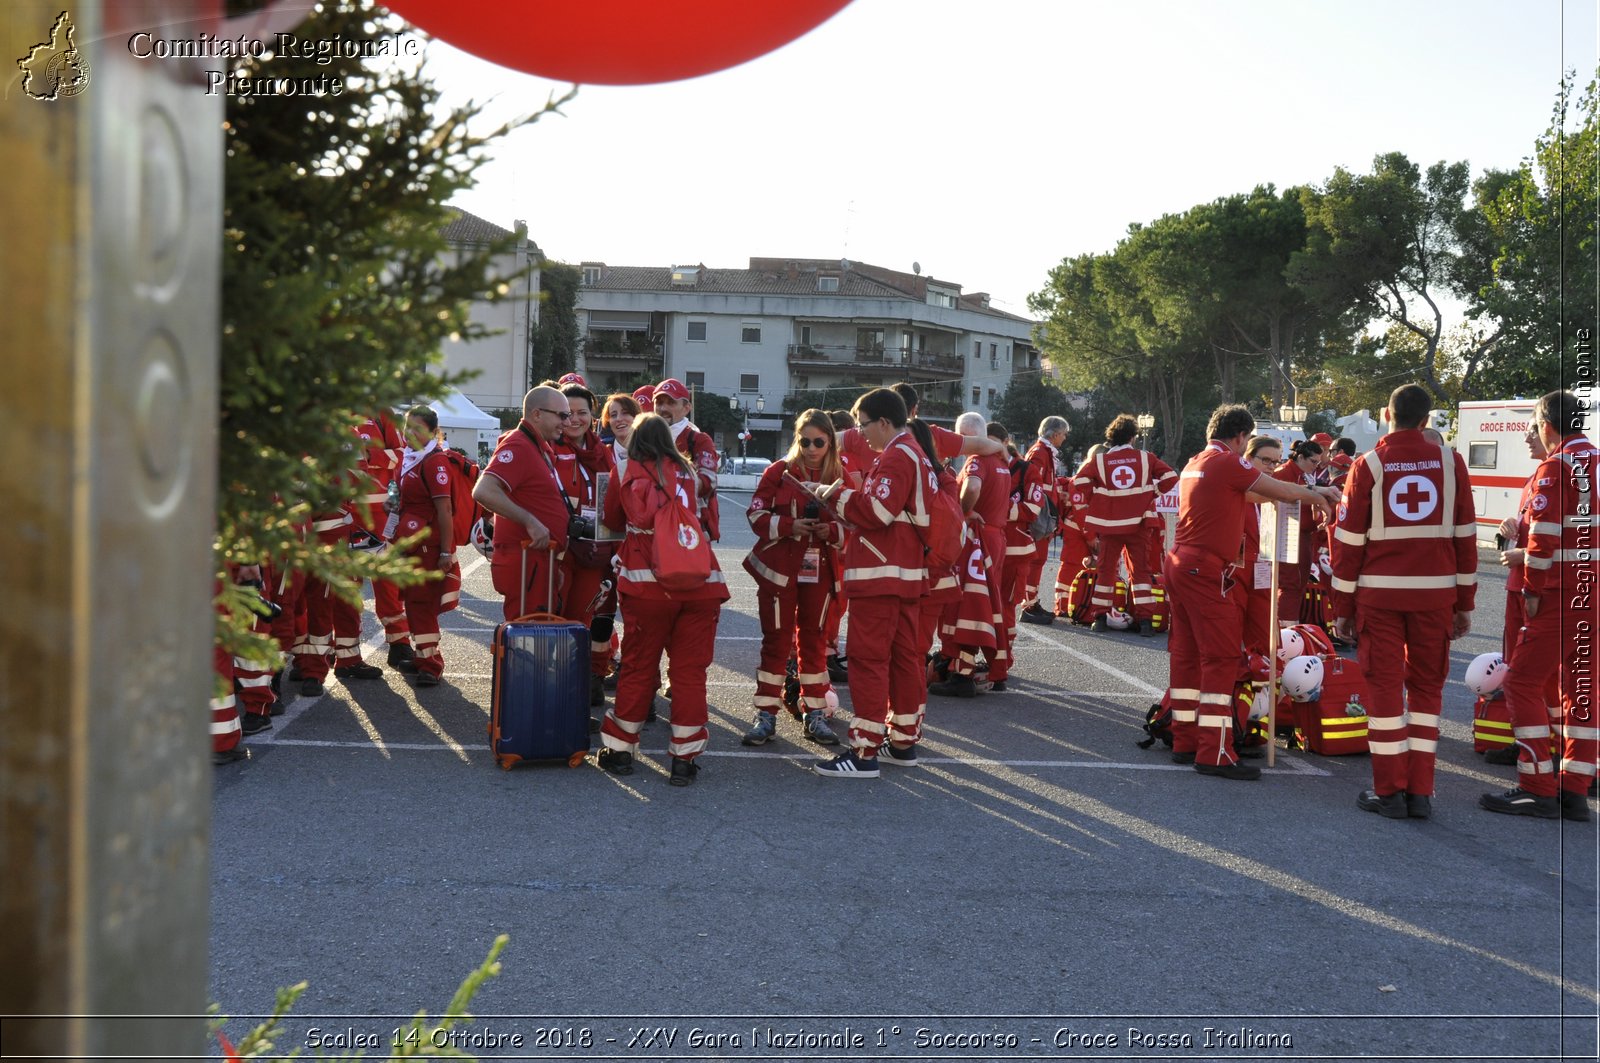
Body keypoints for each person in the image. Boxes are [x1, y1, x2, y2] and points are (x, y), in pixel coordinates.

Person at [1329, 385, 1477, 819]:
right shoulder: (1452, 464)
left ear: (1387, 415)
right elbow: (1466, 538)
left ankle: (1388, 791)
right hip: (1436, 598)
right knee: (1428, 691)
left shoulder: (1368, 464)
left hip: (1381, 598)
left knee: (1385, 689)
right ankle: (1420, 793)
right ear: (1427, 420)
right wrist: (1464, 602)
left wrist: (1342, 609)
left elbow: (1348, 544)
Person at [1167, 405, 1337, 780]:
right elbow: (1276, 489)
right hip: (1206, 569)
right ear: (1242, 437)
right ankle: (1214, 753)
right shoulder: (1227, 462)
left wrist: (1306, 493)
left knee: (1187, 654)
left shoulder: (1198, 461)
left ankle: (1185, 739)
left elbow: (1255, 496)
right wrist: (1318, 493)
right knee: (1222, 658)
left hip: (1182, 563)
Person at [1479, 390, 1597, 821]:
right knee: (1581, 690)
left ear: (1546, 425)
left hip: (1561, 595)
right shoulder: (1598, 462)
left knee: (1522, 683)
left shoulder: (1557, 465)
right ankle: (1575, 789)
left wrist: (1530, 589)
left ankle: (1536, 785)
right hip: (1595, 597)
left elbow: (1543, 539)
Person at [597, 413, 729, 786]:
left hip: (648, 583)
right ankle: (684, 759)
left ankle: (621, 750)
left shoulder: (628, 470)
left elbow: (611, 518)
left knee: (639, 666)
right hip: (700, 581)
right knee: (689, 673)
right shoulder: (688, 472)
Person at [810, 388, 932, 778]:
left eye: (863, 425)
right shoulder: (915, 453)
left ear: (884, 422)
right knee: (903, 660)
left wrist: (838, 496)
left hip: (882, 575)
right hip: (904, 574)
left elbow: (878, 512)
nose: (860, 434)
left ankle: (864, 752)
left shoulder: (897, 455)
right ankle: (902, 741)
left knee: (868, 660)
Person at [739, 409, 845, 747]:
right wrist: (790, 526)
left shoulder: (843, 476)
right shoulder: (778, 472)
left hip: (821, 571)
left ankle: (814, 714)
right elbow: (755, 514)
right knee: (776, 641)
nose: (811, 448)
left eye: (819, 442)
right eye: (805, 441)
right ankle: (765, 713)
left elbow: (859, 526)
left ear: (830, 442)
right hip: (780, 571)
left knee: (814, 641)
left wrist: (831, 530)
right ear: (795, 440)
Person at [472, 386, 573, 620]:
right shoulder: (519, 444)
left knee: (537, 633)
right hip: (527, 558)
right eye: (562, 415)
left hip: (537, 559)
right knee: (528, 636)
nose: (566, 423)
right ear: (537, 414)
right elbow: (484, 490)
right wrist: (529, 521)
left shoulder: (535, 446)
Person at [1072, 414, 1176, 635]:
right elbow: (1171, 477)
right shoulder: (1146, 458)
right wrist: (1152, 494)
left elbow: (1079, 481)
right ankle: (1146, 621)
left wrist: (1099, 498)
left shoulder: (1100, 461)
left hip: (1110, 525)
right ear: (1132, 437)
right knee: (1140, 572)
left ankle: (1099, 618)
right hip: (1138, 525)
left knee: (1106, 571)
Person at [931, 414, 1010, 696]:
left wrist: (962, 512)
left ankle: (962, 674)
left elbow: (973, 486)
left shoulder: (976, 460)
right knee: (985, 604)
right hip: (996, 537)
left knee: (966, 605)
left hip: (977, 538)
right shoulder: (1001, 462)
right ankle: (986, 667)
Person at [388, 406, 456, 687]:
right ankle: (421, 655)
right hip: (409, 543)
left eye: (417, 429)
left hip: (427, 546)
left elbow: (445, 510)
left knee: (422, 603)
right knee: (413, 603)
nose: (410, 434)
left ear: (432, 432)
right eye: (407, 428)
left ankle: (431, 663)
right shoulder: (408, 458)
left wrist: (446, 551)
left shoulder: (434, 461)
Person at [650, 378, 721, 540]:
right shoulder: (644, 437)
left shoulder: (699, 440)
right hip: (652, 527)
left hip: (690, 530)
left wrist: (665, 483)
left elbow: (708, 482)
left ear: (687, 408)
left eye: (671, 403)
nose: (663, 408)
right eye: (659, 402)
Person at [1017, 416, 1070, 625]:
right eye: (1064, 434)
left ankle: (1031, 602)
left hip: (1043, 515)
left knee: (1038, 561)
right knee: (1035, 561)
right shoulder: (1040, 453)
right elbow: (1033, 485)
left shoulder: (1044, 452)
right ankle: (1028, 605)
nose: (1064, 438)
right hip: (1040, 518)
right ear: (1055, 434)